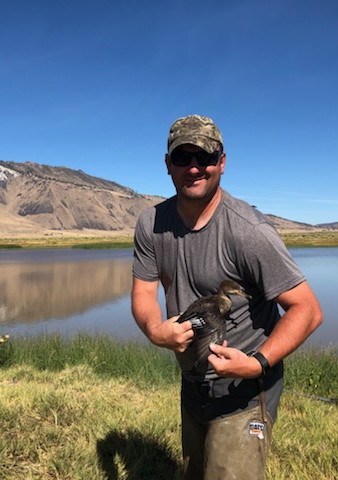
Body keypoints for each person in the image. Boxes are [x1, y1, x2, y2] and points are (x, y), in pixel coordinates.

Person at [131, 114, 323, 479]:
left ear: (221, 162)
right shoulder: (150, 224)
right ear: (168, 164)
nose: (193, 168)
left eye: (204, 158)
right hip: (193, 386)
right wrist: (155, 330)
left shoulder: (249, 231)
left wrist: (256, 365)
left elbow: (308, 310)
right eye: (183, 158)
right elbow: (143, 290)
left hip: (244, 393)